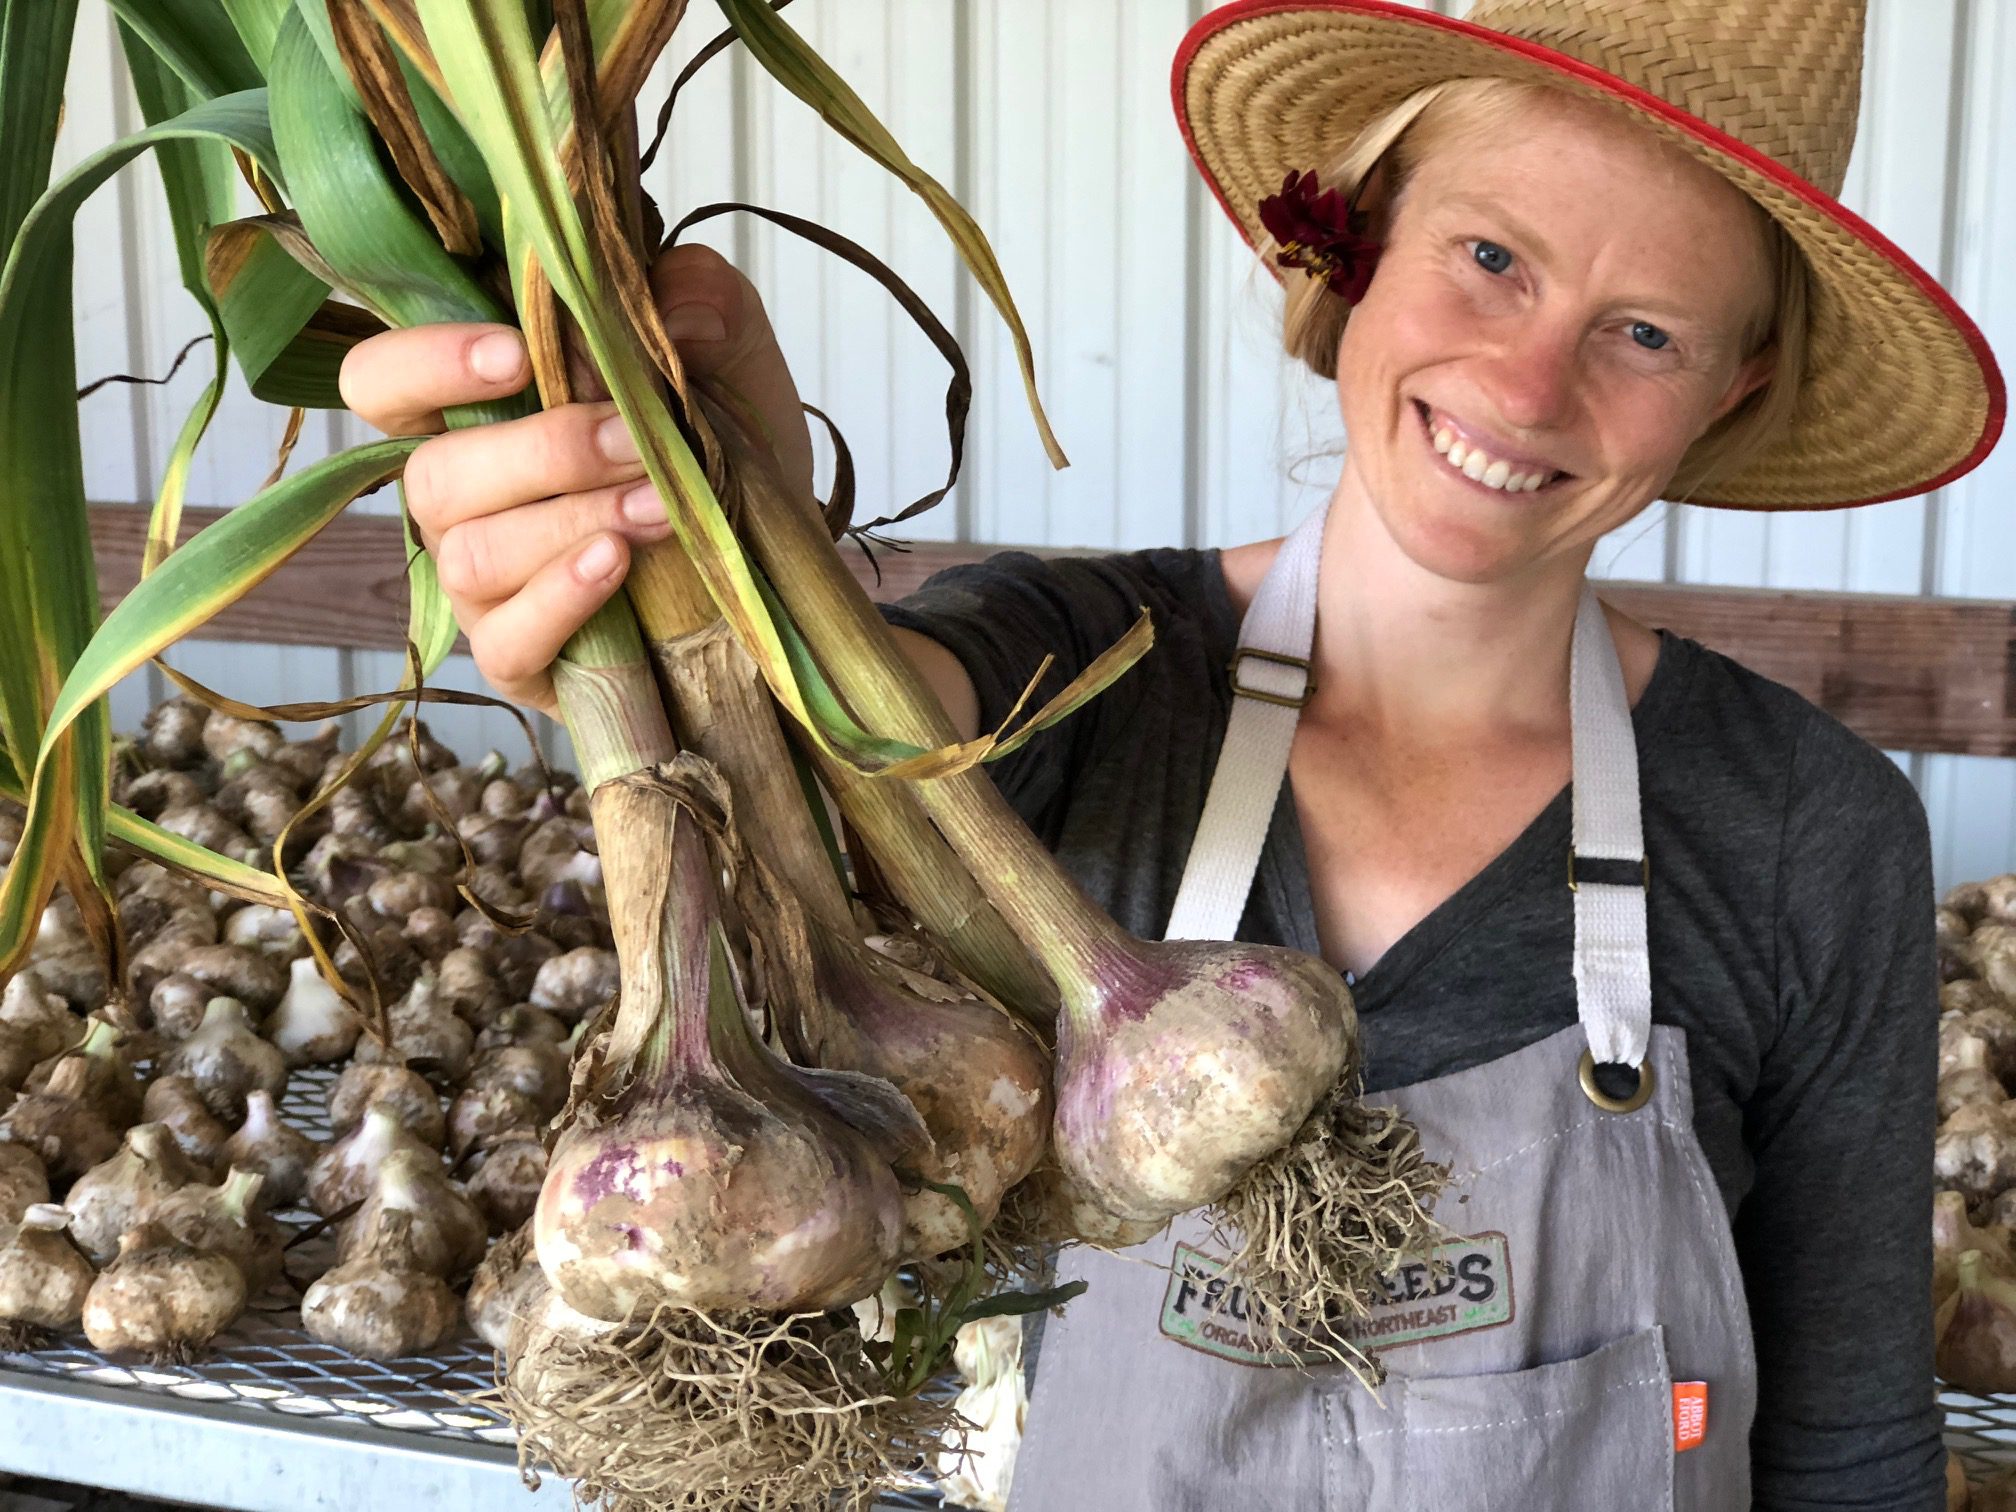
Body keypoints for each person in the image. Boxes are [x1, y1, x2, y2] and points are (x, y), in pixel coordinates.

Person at [339, 0, 2002, 1505]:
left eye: (1645, 332)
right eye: (1491, 256)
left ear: (1734, 388)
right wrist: (677, 517)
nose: (1527, 377)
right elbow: (844, 736)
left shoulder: (1808, 827)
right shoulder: (1078, 676)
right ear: (1354, 246)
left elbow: (1851, 1448)